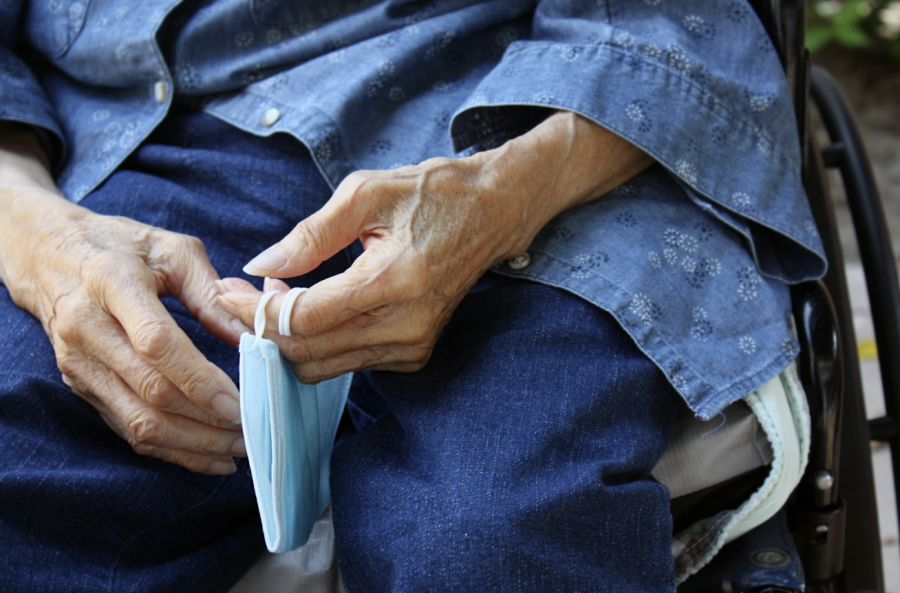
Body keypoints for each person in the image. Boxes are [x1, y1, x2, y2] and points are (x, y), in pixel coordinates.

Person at [0, 1, 826, 591]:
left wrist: (508, 194)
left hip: (531, 133)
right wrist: (39, 236)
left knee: (488, 537)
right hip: (144, 154)